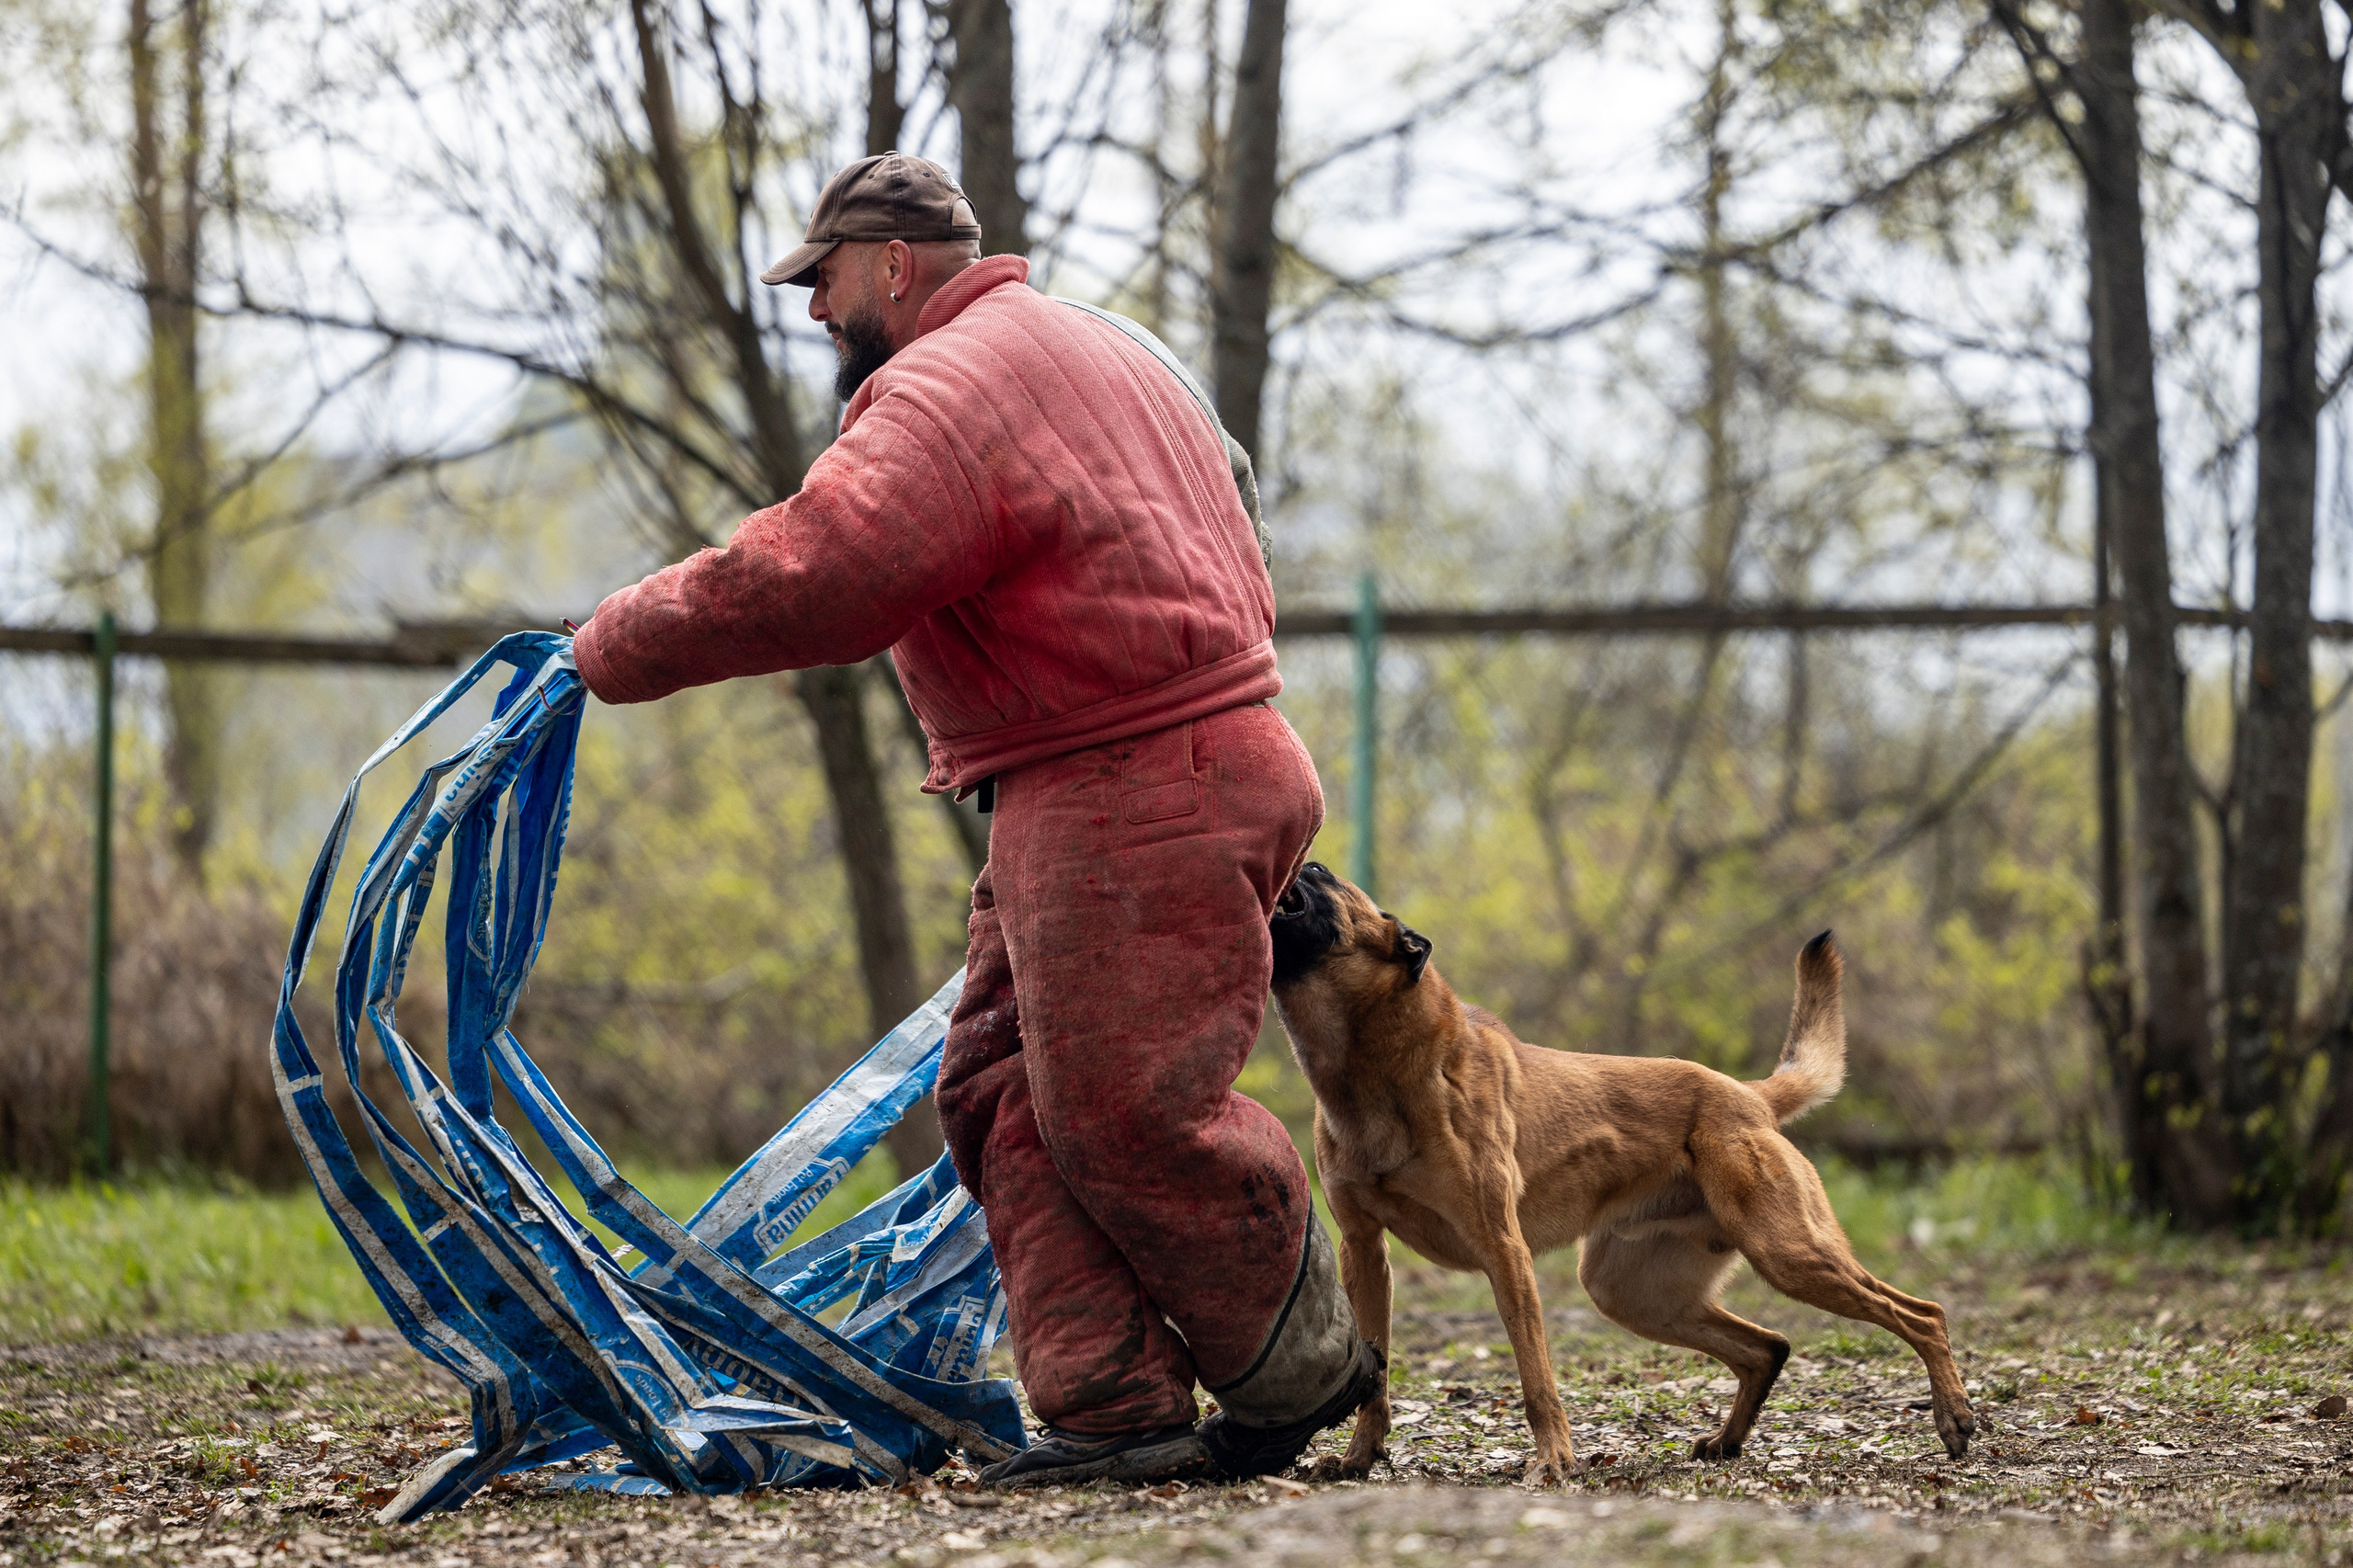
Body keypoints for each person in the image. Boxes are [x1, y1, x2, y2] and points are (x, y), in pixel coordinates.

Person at [570, 152, 1380, 1488]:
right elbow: (1235, 495)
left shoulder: (947, 388)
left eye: (823, 278)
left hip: (1135, 777)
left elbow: (821, 573)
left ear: (893, 263)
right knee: (1000, 1089)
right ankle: (1113, 1409)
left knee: (1127, 1109)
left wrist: (608, 644)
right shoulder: (1106, 346)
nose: (815, 310)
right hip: (1132, 765)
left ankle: (1291, 1358)